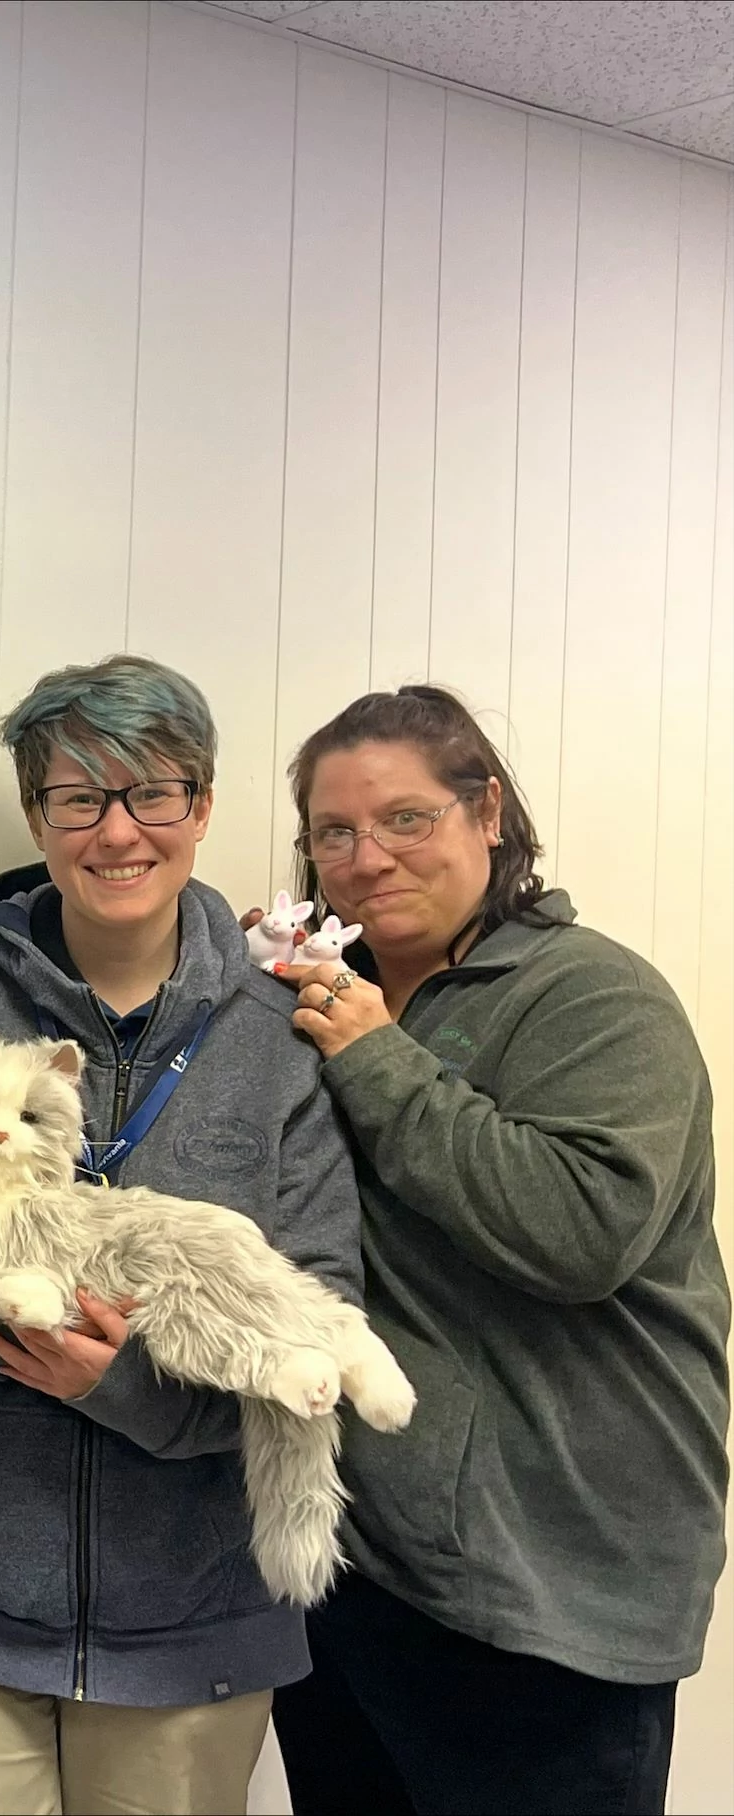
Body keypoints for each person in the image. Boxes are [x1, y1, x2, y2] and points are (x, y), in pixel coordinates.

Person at [0, 655, 363, 1816]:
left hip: (190, 1616)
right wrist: (10, 1347)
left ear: (201, 806)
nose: (116, 832)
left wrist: (125, 1389)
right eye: (78, 798)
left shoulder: (276, 1036)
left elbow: (313, 1293)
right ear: (35, 816)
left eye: (151, 793)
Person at [264, 685, 727, 1816]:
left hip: (546, 1598)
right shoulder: (323, 999)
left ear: (488, 814)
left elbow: (579, 1232)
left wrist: (374, 1060)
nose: (364, 857)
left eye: (404, 819)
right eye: (333, 832)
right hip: (356, 1575)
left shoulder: (593, 997)